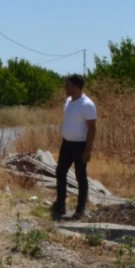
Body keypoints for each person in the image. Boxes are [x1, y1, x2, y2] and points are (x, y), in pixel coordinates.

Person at [51, 74, 97, 221]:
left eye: (68, 85)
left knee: (80, 176)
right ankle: (61, 204)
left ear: (77, 87)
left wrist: (87, 151)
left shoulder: (87, 105)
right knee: (60, 172)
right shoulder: (68, 101)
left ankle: (80, 207)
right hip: (67, 144)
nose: (65, 88)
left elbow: (92, 129)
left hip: (80, 145)